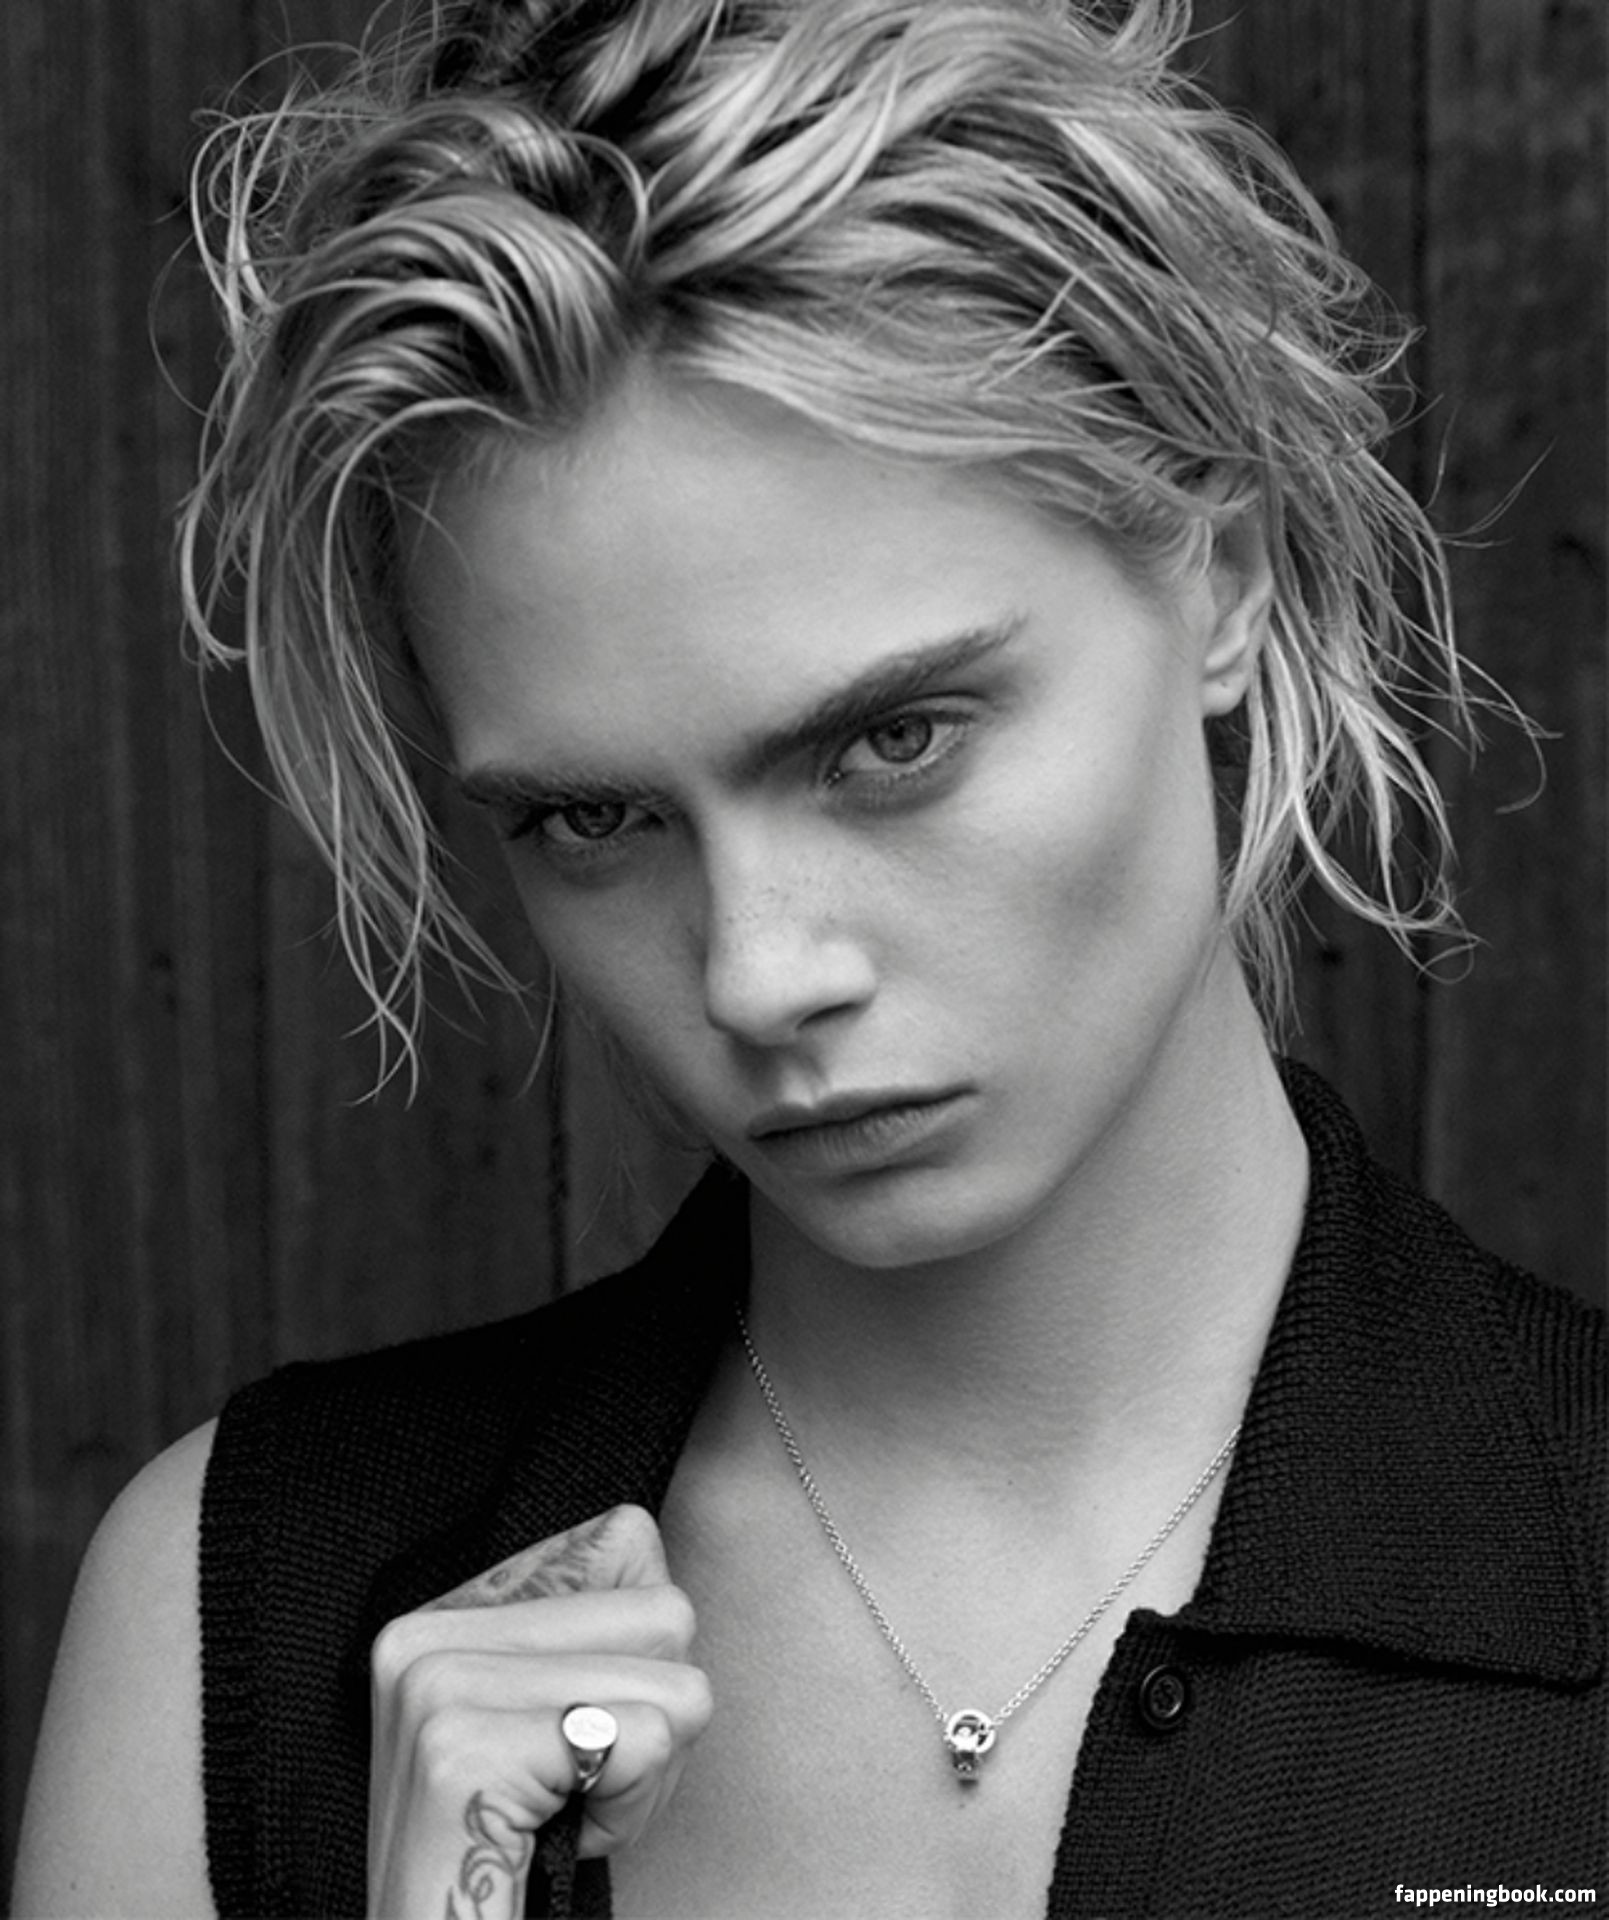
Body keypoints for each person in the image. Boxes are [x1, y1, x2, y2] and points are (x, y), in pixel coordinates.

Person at [13, 0, 1603, 1915]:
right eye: (593, 820)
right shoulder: (242, 1611)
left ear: (1222, 577)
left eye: (891, 740)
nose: (756, 979)